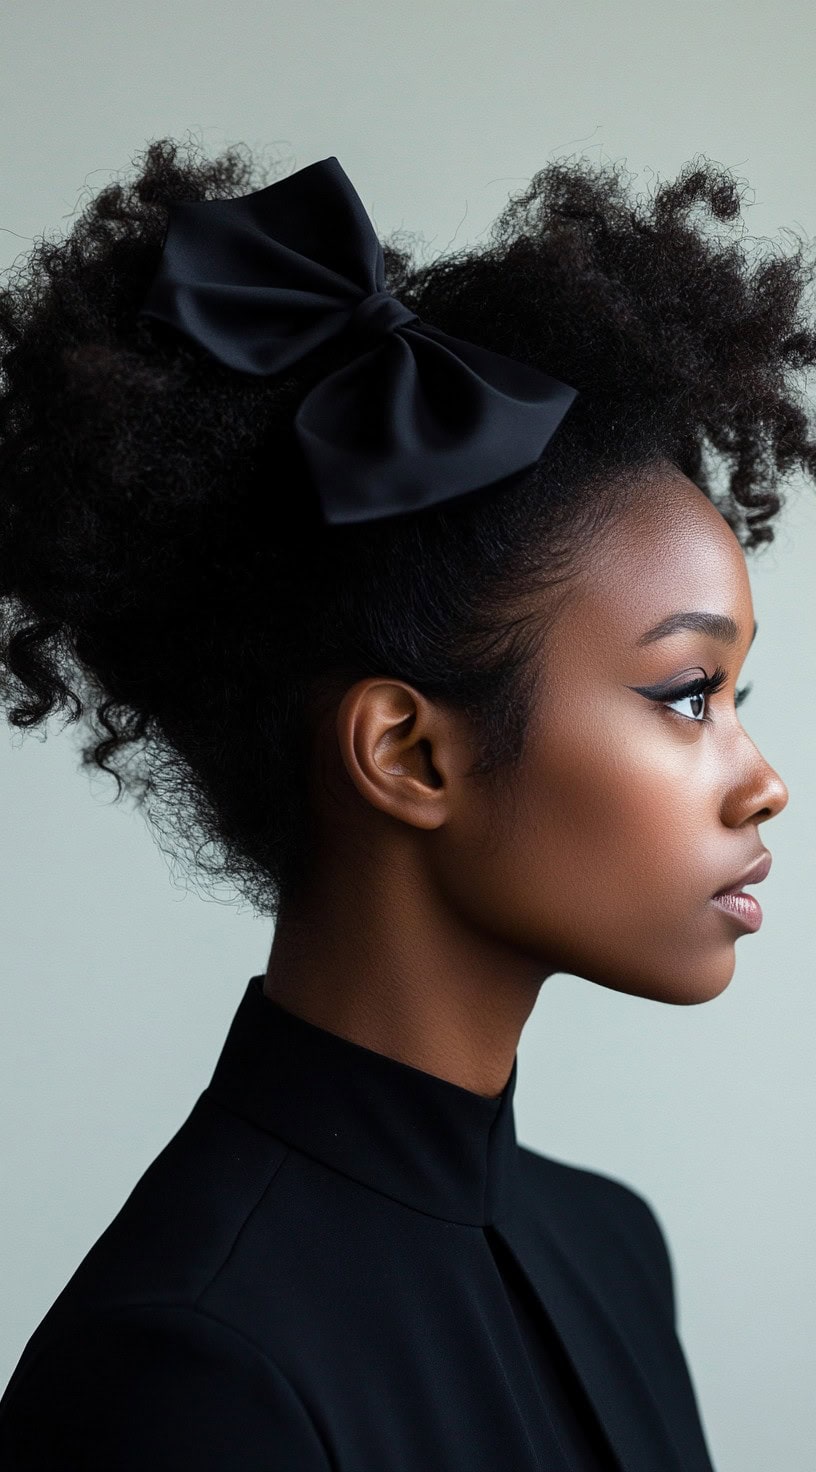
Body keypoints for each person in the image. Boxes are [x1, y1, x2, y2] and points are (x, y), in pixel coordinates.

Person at [0, 137, 810, 1471]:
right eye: (686, 694)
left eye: (738, 694)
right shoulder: (189, 1372)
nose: (764, 778)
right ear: (408, 757)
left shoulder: (614, 1252)